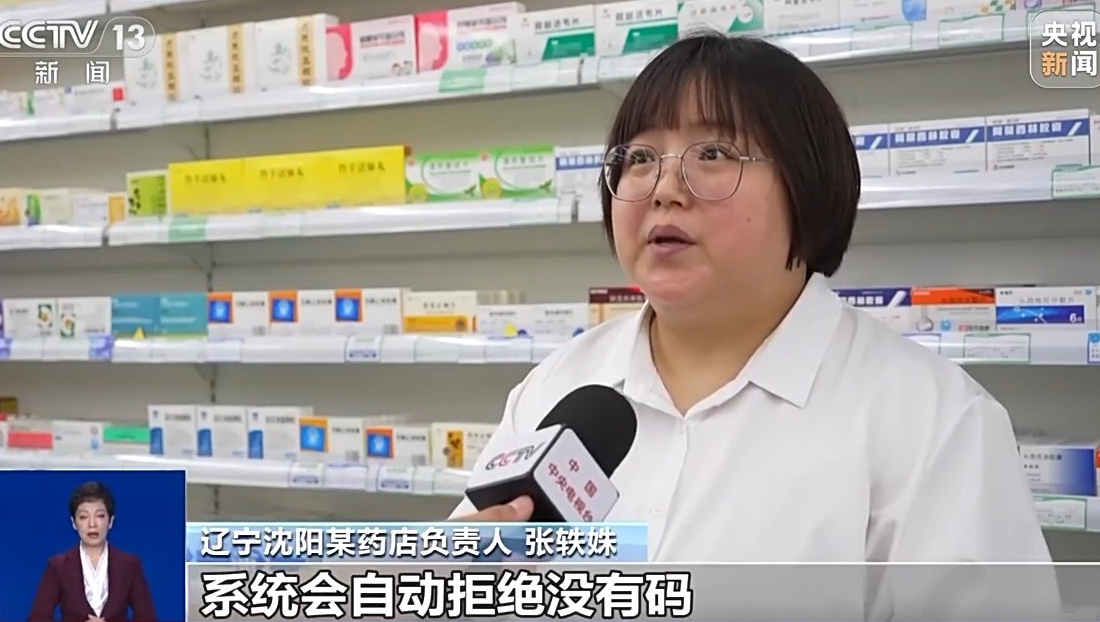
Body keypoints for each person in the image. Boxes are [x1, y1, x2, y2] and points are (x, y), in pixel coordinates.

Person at [451, 32, 1061, 616]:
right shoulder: (556, 387)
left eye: (713, 153)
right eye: (639, 158)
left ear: (806, 183)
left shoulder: (934, 422)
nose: (664, 188)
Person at [27, 481, 157, 622]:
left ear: (111, 521)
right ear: (73, 523)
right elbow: (37, 619)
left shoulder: (130, 565)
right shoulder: (58, 567)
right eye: (84, 517)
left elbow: (148, 618)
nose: (92, 524)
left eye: (100, 516)